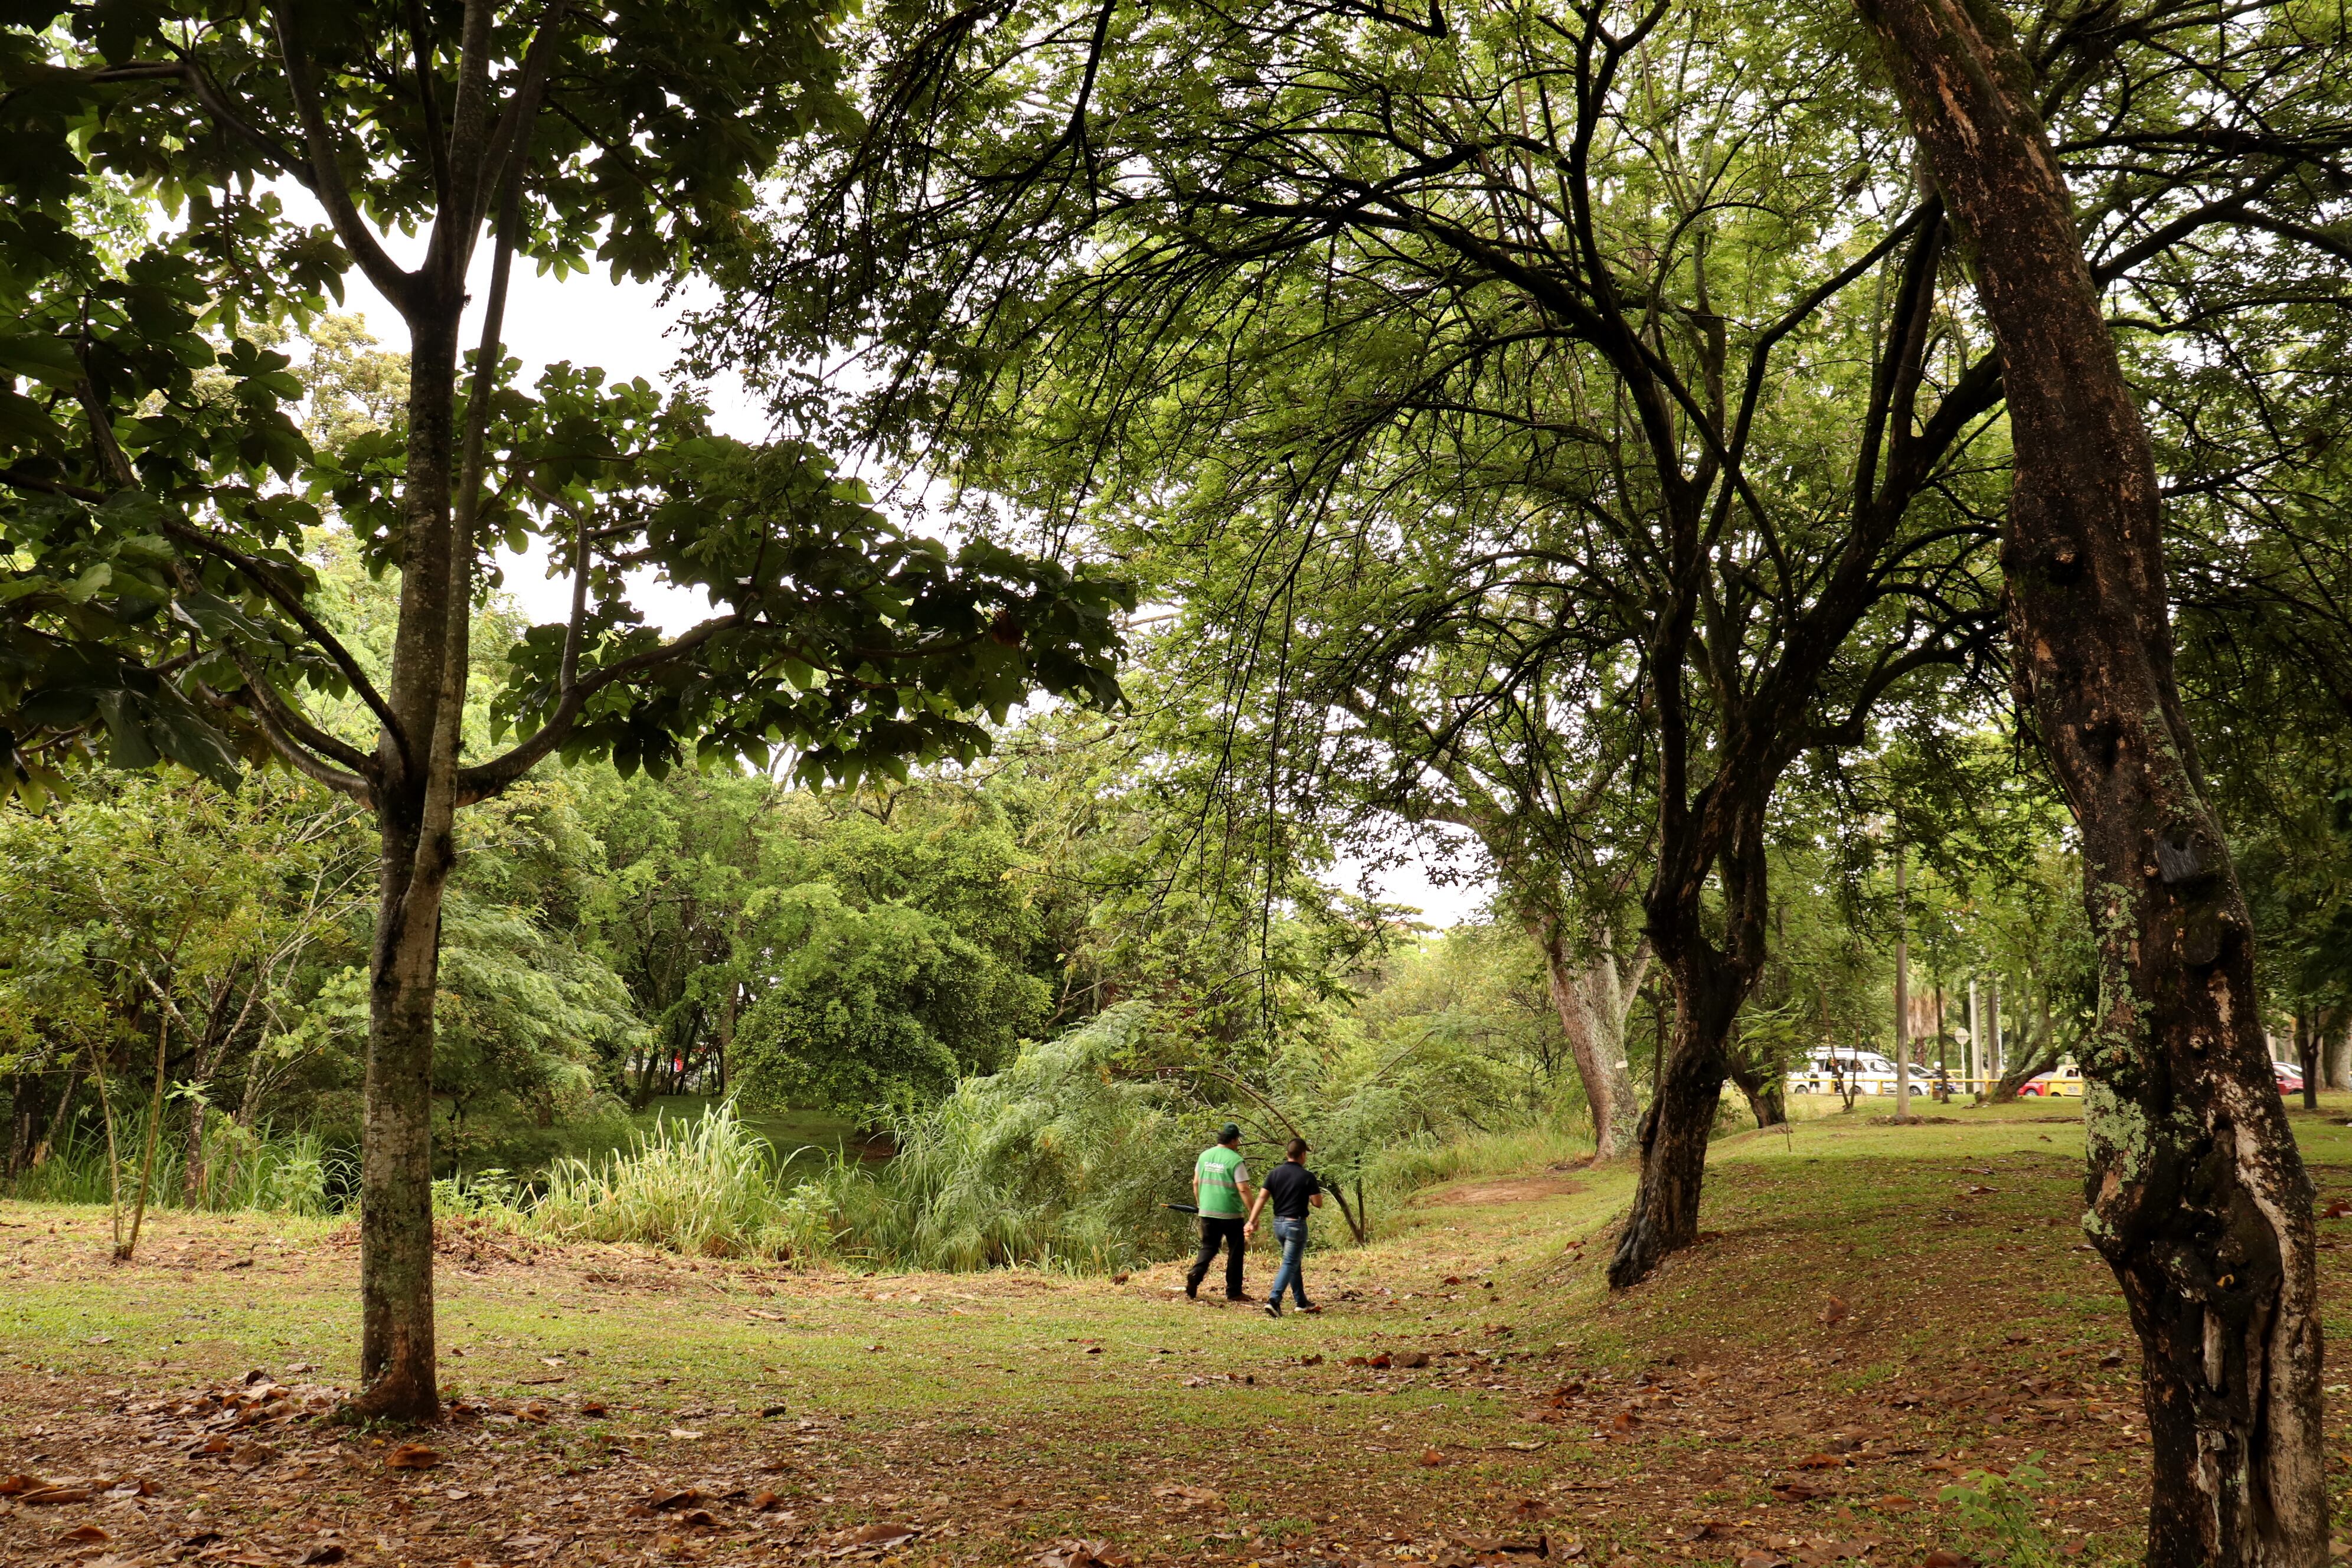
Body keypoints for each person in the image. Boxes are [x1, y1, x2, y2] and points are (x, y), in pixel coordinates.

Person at [1245, 1136, 1324, 1318]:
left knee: (1293, 1261)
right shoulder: (1307, 1176)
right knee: (1290, 1262)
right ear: (1303, 1155)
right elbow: (1318, 1203)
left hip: (1279, 1225)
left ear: (1288, 1154)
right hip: (1295, 1225)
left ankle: (1301, 1302)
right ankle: (1274, 1300)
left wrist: (1251, 1221)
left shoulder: (1274, 1174)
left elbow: (1262, 1198)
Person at [1185, 1124, 1256, 1301]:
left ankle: (1196, 1273)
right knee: (1236, 1250)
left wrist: (1200, 1203)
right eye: (1237, 1140)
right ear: (1233, 1140)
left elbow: (1195, 1182)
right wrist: (1254, 1213)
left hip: (1207, 1211)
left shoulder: (1204, 1156)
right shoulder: (1236, 1160)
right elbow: (1243, 1189)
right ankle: (1234, 1291)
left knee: (1209, 1246)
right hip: (1230, 1213)